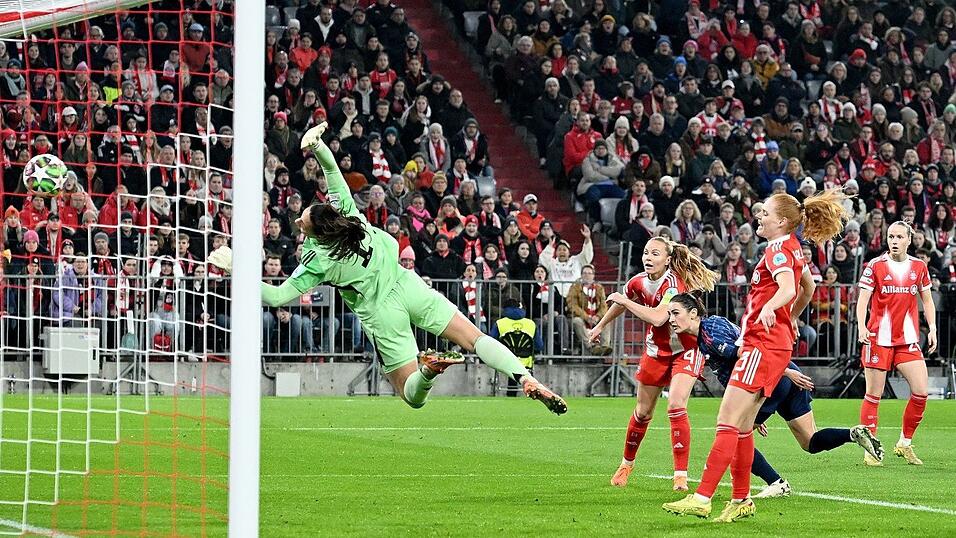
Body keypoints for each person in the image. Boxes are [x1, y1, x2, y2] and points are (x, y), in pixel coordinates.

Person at [208, 123, 566, 414]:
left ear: (314, 231)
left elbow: (275, 294)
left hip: (381, 311)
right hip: (407, 283)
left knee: (411, 396)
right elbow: (332, 170)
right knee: (475, 339)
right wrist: (316, 144)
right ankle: (522, 376)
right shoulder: (347, 212)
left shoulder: (318, 261)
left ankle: (428, 371)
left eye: (302, 223)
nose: (299, 224)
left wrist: (235, 269)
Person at [663, 188, 850, 522]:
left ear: (780, 221)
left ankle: (703, 497)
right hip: (773, 345)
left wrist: (773, 309)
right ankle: (741, 500)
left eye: (764, 213)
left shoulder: (778, 248)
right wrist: (790, 318)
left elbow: (789, 289)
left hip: (760, 345)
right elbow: (806, 287)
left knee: (727, 422)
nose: (758, 216)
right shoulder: (794, 248)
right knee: (744, 427)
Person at [666, 293, 883, 498]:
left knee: (731, 437)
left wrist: (783, 373)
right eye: (669, 314)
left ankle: (774, 483)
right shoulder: (710, 330)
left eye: (675, 313)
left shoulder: (710, 333)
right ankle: (853, 434)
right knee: (810, 442)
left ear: (693, 313)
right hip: (779, 376)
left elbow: (749, 354)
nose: (671, 319)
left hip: (775, 376)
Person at [588, 236, 718, 491]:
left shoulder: (673, 284)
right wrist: (600, 326)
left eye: (655, 254)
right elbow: (619, 304)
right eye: (646, 252)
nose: (648, 257)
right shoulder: (637, 281)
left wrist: (626, 301)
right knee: (642, 412)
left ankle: (680, 475)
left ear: (668, 260)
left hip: (686, 349)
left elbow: (659, 318)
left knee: (676, 405)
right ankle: (626, 464)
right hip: (656, 352)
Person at [856, 221, 937, 466]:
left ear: (908, 240)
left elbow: (928, 300)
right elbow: (863, 300)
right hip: (877, 338)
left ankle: (904, 443)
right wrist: (861, 326)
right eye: (891, 236)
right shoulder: (875, 266)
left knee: (921, 392)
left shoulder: (919, 266)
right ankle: (870, 450)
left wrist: (932, 328)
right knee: (874, 395)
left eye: (899, 236)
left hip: (907, 339)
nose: (894, 240)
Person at [490, 298, 543, 396]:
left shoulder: (500, 323)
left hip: (504, 361)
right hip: (525, 361)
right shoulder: (531, 324)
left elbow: (491, 342)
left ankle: (510, 393)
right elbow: (539, 346)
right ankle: (531, 392)